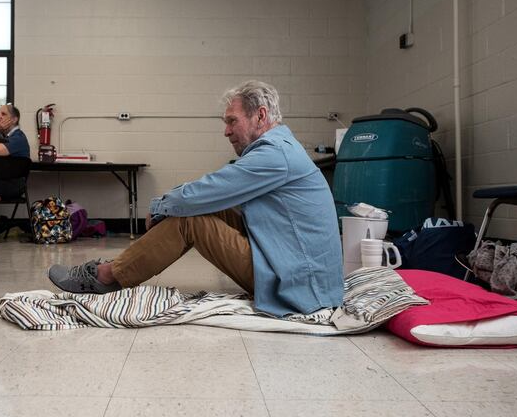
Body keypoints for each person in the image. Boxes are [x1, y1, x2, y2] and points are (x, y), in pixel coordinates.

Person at [48, 80, 344, 317]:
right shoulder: (280, 148)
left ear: (260, 116)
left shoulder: (275, 154)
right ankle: (117, 267)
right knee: (203, 206)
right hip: (297, 270)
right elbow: (214, 193)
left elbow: (212, 188)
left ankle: (107, 275)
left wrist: (159, 205)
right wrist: (171, 203)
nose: (226, 131)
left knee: (192, 219)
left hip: (300, 287)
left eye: (232, 121)